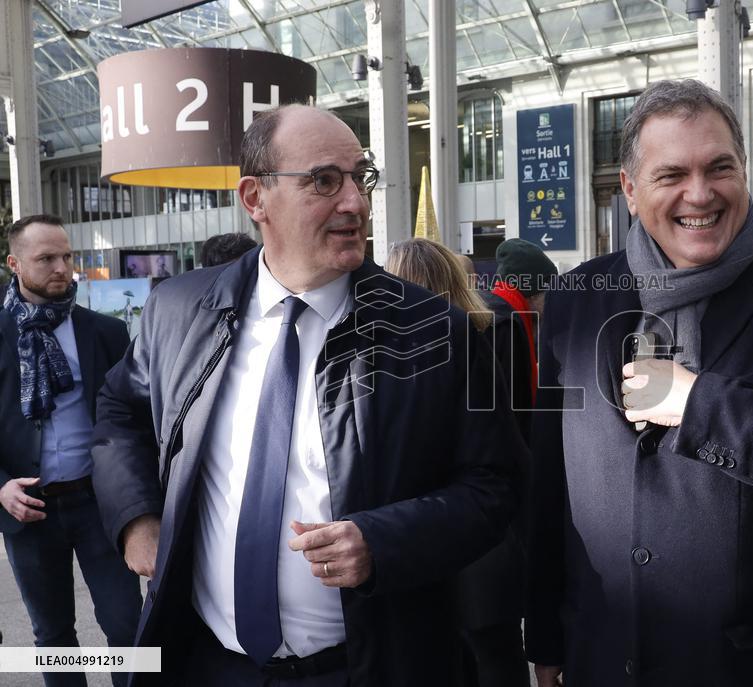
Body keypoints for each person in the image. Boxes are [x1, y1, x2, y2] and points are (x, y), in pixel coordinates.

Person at [90, 105, 521, 686]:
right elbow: (120, 409)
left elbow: (495, 485)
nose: (355, 202)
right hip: (210, 664)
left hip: (367, 667)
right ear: (255, 198)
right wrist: (136, 516)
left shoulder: (434, 331)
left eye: (361, 178)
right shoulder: (180, 311)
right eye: (324, 180)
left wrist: (384, 542)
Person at [525, 79, 753, 687]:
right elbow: (551, 484)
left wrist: (698, 404)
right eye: (671, 174)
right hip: (604, 655)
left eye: (719, 168)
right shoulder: (576, 299)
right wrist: (547, 636)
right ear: (629, 189)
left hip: (751, 665)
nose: (700, 194)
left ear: (744, 172)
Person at [0, 214, 142, 687]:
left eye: (66, 256)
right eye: (46, 259)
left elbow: (133, 419)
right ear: (15, 264)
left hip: (100, 502)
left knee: (128, 627)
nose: (62, 268)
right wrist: (1, 487)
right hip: (29, 508)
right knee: (53, 634)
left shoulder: (105, 332)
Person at [386, 238, 531, 687]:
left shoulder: (389, 347)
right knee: (496, 655)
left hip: (418, 527)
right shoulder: (498, 326)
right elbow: (521, 425)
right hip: (491, 524)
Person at [490, 238, 557, 402]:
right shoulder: (506, 327)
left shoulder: (500, 314)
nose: (552, 300)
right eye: (549, 292)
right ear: (532, 293)